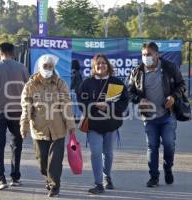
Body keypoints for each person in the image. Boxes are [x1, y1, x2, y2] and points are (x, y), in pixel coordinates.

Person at [128, 42, 186, 187]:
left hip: (168, 115)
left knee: (169, 144)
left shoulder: (169, 67)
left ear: (157, 55)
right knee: (152, 147)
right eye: (143, 55)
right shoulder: (137, 72)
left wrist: (173, 97)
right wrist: (139, 100)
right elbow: (129, 92)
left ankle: (168, 168)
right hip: (149, 117)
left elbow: (182, 85)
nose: (145, 57)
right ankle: (154, 176)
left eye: (148, 54)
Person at [20, 55, 76, 197]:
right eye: (45, 66)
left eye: (50, 66)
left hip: (58, 130)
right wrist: (24, 126)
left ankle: (54, 185)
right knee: (43, 164)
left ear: (53, 68)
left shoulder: (60, 83)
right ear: (40, 67)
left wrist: (71, 126)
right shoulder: (30, 85)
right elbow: (26, 108)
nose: (48, 69)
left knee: (55, 161)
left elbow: (66, 106)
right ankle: (48, 178)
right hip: (39, 130)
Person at [77, 54, 129, 194]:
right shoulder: (87, 83)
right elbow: (81, 101)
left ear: (108, 65)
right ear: (93, 66)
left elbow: (124, 102)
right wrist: (94, 105)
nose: (101, 66)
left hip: (111, 125)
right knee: (95, 153)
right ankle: (98, 183)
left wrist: (108, 106)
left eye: (104, 63)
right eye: (98, 63)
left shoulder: (116, 82)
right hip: (94, 125)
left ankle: (107, 176)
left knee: (108, 153)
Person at [0, 42, 29, 190]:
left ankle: (0, 179)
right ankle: (15, 177)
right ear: (13, 53)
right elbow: (29, 88)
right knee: (17, 145)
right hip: (18, 111)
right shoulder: (22, 68)